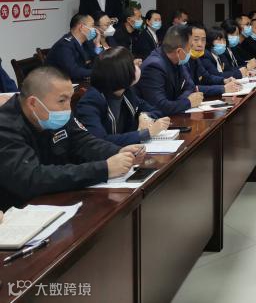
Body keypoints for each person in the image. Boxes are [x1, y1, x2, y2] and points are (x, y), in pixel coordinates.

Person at [0, 66, 143, 211]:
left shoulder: (53, 113)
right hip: (19, 210)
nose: (68, 108)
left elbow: (83, 141)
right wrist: (103, 169)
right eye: (62, 100)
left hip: (58, 198)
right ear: (33, 103)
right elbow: (31, 178)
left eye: (70, 99)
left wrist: (117, 152)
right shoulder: (5, 127)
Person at [75, 47, 169, 147]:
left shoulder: (127, 92)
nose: (137, 67)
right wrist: (146, 133)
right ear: (121, 73)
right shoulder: (90, 102)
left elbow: (156, 111)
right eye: (132, 65)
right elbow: (100, 141)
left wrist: (144, 115)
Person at [137, 25, 203, 115]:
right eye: (190, 47)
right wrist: (188, 102)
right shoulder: (154, 67)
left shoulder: (178, 59)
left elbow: (191, 87)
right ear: (179, 51)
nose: (192, 50)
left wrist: (180, 101)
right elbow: (160, 106)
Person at [188, 23, 242, 95]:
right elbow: (191, 88)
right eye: (196, 39)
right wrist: (223, 88)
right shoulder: (184, 61)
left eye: (203, 40)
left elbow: (207, 78)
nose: (200, 44)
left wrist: (224, 80)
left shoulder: (196, 58)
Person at [46, 13, 98, 82]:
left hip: (80, 81)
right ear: (81, 27)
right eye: (92, 26)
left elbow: (94, 61)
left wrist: (97, 44)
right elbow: (73, 71)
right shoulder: (64, 45)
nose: (95, 30)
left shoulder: (86, 43)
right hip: (59, 83)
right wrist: (97, 72)